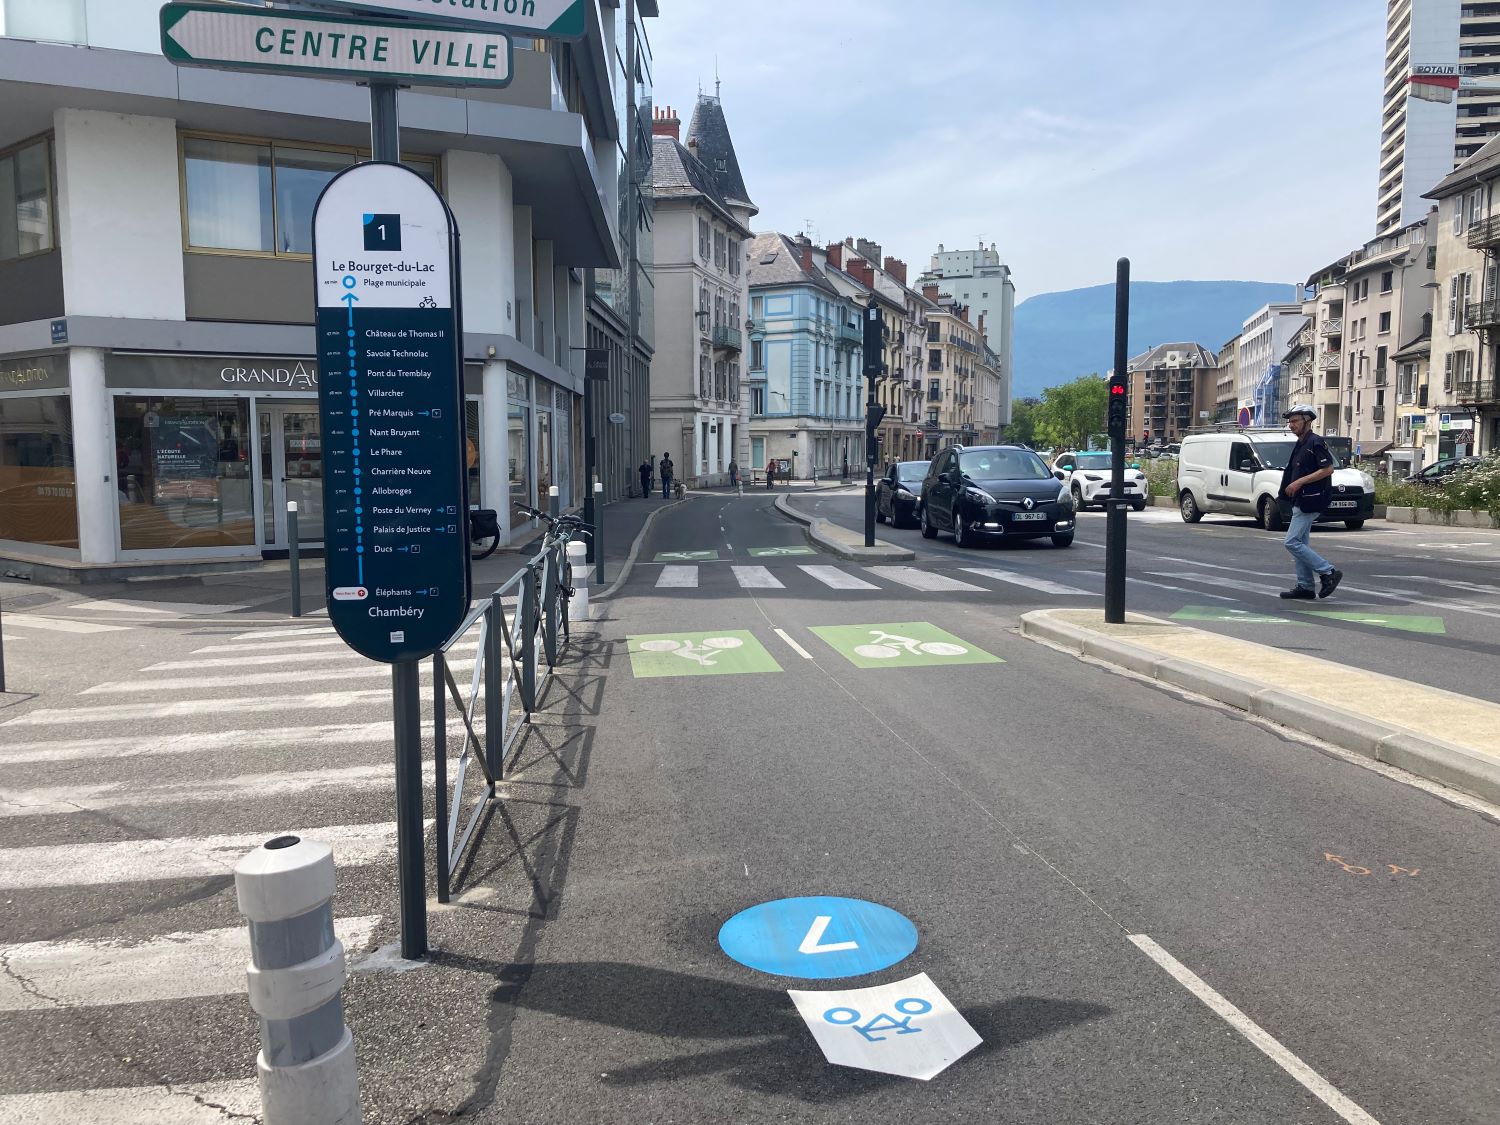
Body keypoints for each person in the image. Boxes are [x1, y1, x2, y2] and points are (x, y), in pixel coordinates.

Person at [1278, 405, 1343, 601]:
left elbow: (1328, 469)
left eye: (1295, 421)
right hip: (1301, 499)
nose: (1291, 425)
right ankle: (1306, 586)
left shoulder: (1315, 442)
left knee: (1292, 542)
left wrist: (1299, 481)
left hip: (1311, 499)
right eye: (1290, 422)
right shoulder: (1301, 443)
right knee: (1300, 543)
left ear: (1308, 421)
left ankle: (1328, 572)